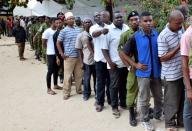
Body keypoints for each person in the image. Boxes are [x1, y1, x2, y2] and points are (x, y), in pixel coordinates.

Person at [124, 11, 163, 130]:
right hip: (143, 74)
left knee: (158, 96)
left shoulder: (157, 34)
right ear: (140, 22)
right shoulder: (135, 37)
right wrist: (135, 64)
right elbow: (123, 53)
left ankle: (157, 114)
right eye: (145, 21)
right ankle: (145, 119)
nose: (149, 23)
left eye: (150, 20)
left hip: (156, 72)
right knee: (144, 98)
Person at [158, 10, 185, 130]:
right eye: (178, 23)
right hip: (170, 75)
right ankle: (169, 124)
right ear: (170, 21)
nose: (180, 26)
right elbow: (162, 58)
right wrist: (179, 47)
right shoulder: (163, 36)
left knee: (182, 100)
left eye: (181, 23)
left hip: (181, 72)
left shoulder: (180, 28)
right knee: (171, 102)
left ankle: (180, 121)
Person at [102, 11, 129, 118]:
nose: (119, 19)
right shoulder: (108, 31)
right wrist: (110, 62)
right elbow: (104, 49)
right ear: (113, 19)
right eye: (117, 17)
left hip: (125, 64)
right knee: (114, 86)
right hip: (114, 65)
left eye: (120, 17)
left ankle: (123, 103)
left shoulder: (126, 27)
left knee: (123, 85)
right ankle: (114, 107)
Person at [118, 10, 140, 126]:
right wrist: (128, 66)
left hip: (144, 66)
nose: (134, 22)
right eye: (132, 20)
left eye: (136, 19)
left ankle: (144, 108)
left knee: (144, 89)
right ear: (129, 22)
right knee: (131, 88)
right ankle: (131, 112)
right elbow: (120, 52)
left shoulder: (144, 32)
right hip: (133, 67)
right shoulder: (125, 35)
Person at [57, 12, 83, 100]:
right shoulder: (63, 31)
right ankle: (66, 92)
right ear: (66, 21)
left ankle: (79, 90)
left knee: (79, 75)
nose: (71, 20)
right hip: (68, 57)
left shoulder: (78, 29)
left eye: (72, 18)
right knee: (67, 76)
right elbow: (58, 43)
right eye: (69, 19)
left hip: (78, 56)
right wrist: (61, 53)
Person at [89, 12, 111, 112]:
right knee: (100, 81)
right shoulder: (93, 27)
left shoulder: (109, 26)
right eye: (96, 16)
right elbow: (94, 35)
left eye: (100, 15)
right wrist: (102, 31)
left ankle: (111, 100)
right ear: (94, 19)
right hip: (99, 59)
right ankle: (100, 102)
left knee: (110, 81)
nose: (98, 17)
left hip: (109, 59)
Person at [75, 18, 96, 101]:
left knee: (96, 78)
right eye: (85, 22)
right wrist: (81, 62)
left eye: (89, 22)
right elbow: (79, 49)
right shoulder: (80, 35)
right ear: (83, 24)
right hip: (87, 60)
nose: (87, 23)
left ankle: (97, 92)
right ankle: (87, 93)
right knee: (87, 78)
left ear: (92, 23)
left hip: (97, 60)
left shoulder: (95, 33)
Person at [42, 18, 62, 95]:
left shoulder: (59, 31)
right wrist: (49, 49)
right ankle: (48, 88)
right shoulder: (47, 31)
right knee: (50, 71)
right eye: (56, 23)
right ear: (52, 23)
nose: (58, 24)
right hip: (50, 54)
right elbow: (43, 43)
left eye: (59, 23)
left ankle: (56, 85)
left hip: (57, 53)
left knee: (56, 70)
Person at [180, 21, 192, 131]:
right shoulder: (188, 35)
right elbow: (184, 62)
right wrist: (188, 89)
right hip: (191, 79)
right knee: (189, 111)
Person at [53, 18, 64, 84]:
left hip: (68, 52)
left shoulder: (66, 31)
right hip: (60, 54)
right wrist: (57, 57)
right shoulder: (55, 34)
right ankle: (61, 77)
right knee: (60, 67)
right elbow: (55, 47)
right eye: (57, 23)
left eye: (60, 22)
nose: (59, 24)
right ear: (55, 24)